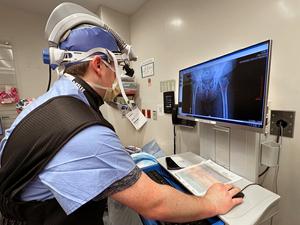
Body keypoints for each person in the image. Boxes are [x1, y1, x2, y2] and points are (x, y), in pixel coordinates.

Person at [0, 3, 243, 225]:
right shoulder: (86, 133)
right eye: (118, 69)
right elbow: (155, 204)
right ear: (98, 65)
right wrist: (210, 203)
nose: (120, 79)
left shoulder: (45, 103)